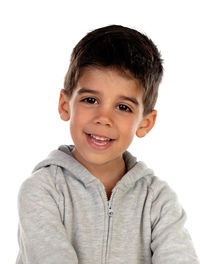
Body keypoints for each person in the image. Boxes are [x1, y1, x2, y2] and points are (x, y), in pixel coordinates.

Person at [16, 25, 199, 264]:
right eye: (90, 100)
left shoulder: (157, 201)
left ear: (145, 123)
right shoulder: (42, 190)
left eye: (123, 107)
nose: (104, 118)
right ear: (64, 105)